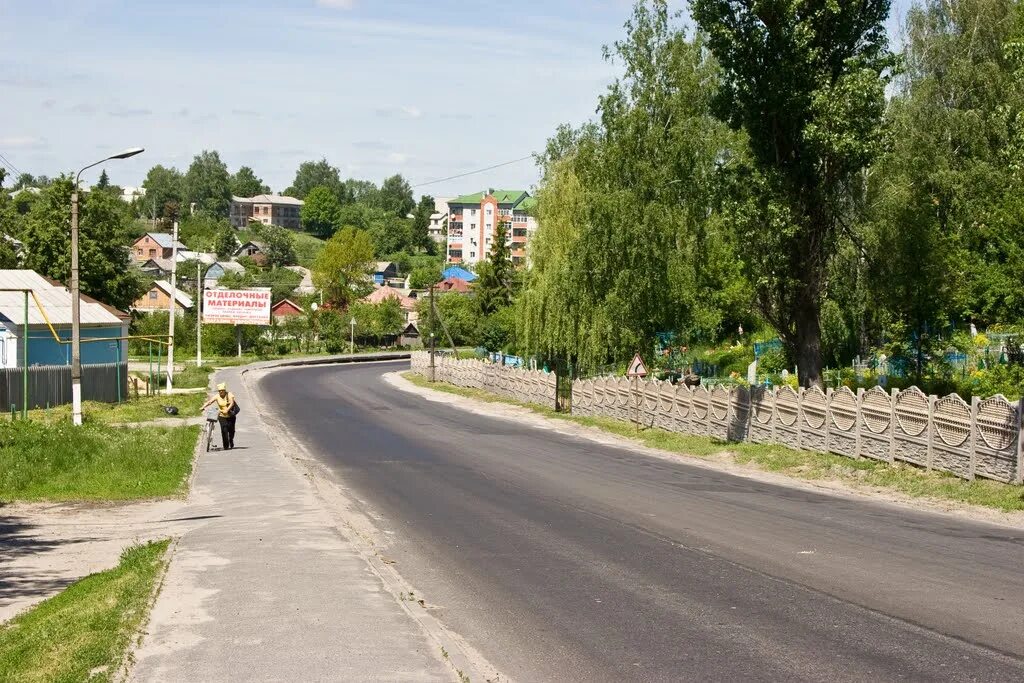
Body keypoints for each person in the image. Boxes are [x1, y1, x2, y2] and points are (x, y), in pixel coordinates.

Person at [202, 382, 237, 450]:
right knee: (224, 431)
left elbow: (232, 403)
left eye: (222, 390)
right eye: (219, 391)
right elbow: (210, 402)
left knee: (231, 431)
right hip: (222, 416)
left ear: (225, 390)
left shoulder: (229, 394)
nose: (221, 392)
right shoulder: (217, 396)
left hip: (230, 416)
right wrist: (203, 406)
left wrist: (227, 410)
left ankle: (231, 440)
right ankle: (226, 446)